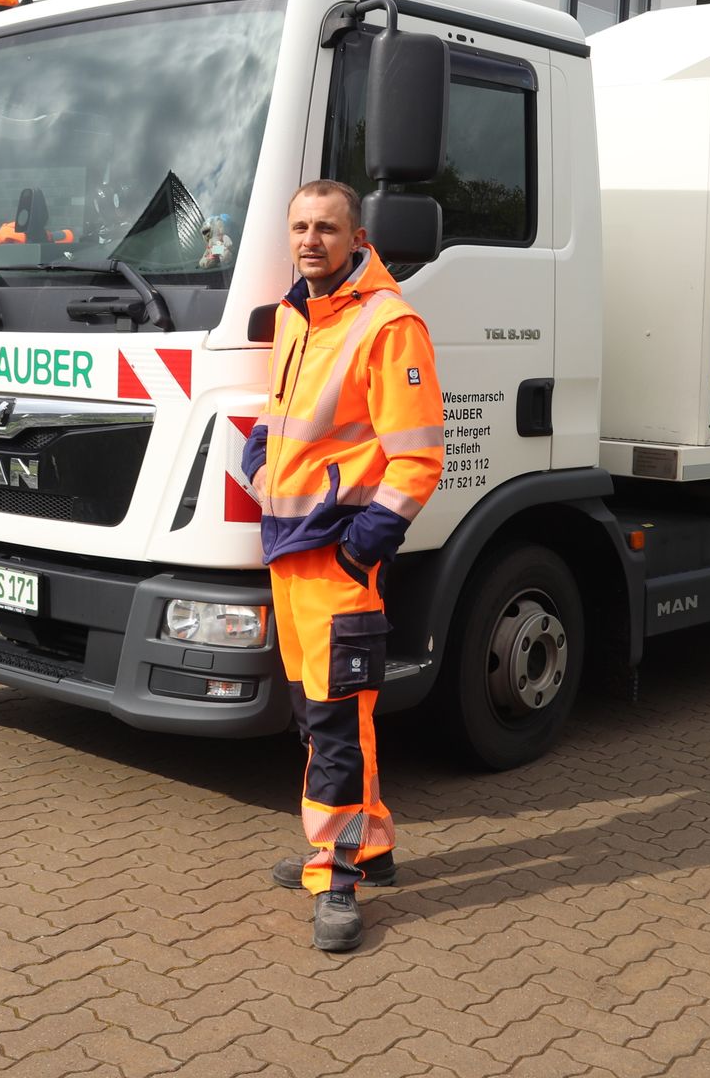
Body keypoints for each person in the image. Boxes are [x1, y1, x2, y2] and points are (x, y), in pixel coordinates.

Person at [240, 179, 443, 953]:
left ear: (358, 238)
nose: (309, 240)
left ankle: (336, 877)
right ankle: (373, 843)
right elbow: (276, 419)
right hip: (291, 555)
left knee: (335, 727)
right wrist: (259, 466)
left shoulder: (388, 323)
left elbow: (418, 458)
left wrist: (360, 549)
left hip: (336, 564)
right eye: (300, 226)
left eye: (326, 228)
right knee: (318, 714)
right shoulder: (297, 314)